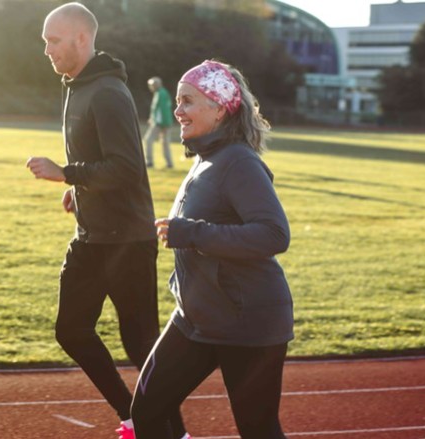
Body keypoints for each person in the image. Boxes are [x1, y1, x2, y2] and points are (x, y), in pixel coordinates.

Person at [25, 3, 188, 439]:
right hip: (94, 236)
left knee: (141, 346)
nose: (47, 49)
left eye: (54, 40)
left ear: (82, 38)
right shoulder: (79, 86)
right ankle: (135, 416)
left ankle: (176, 433)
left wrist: (68, 173)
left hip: (128, 243)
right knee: (72, 330)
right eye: (45, 41)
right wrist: (78, 189)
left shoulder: (108, 92)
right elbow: (102, 163)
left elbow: (127, 167)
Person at [130, 60, 294, 439]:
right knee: (148, 410)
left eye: (188, 101)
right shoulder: (207, 159)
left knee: (258, 430)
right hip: (197, 316)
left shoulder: (238, 161)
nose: (178, 110)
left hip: (248, 321)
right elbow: (182, 226)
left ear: (219, 108)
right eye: (178, 101)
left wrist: (195, 234)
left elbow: (274, 234)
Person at [145, 77, 176, 169]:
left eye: (151, 85)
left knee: (148, 140)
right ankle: (169, 164)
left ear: (156, 84)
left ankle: (149, 162)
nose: (151, 87)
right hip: (166, 122)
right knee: (165, 143)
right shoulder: (162, 92)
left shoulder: (160, 93)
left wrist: (156, 121)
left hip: (160, 122)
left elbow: (161, 109)